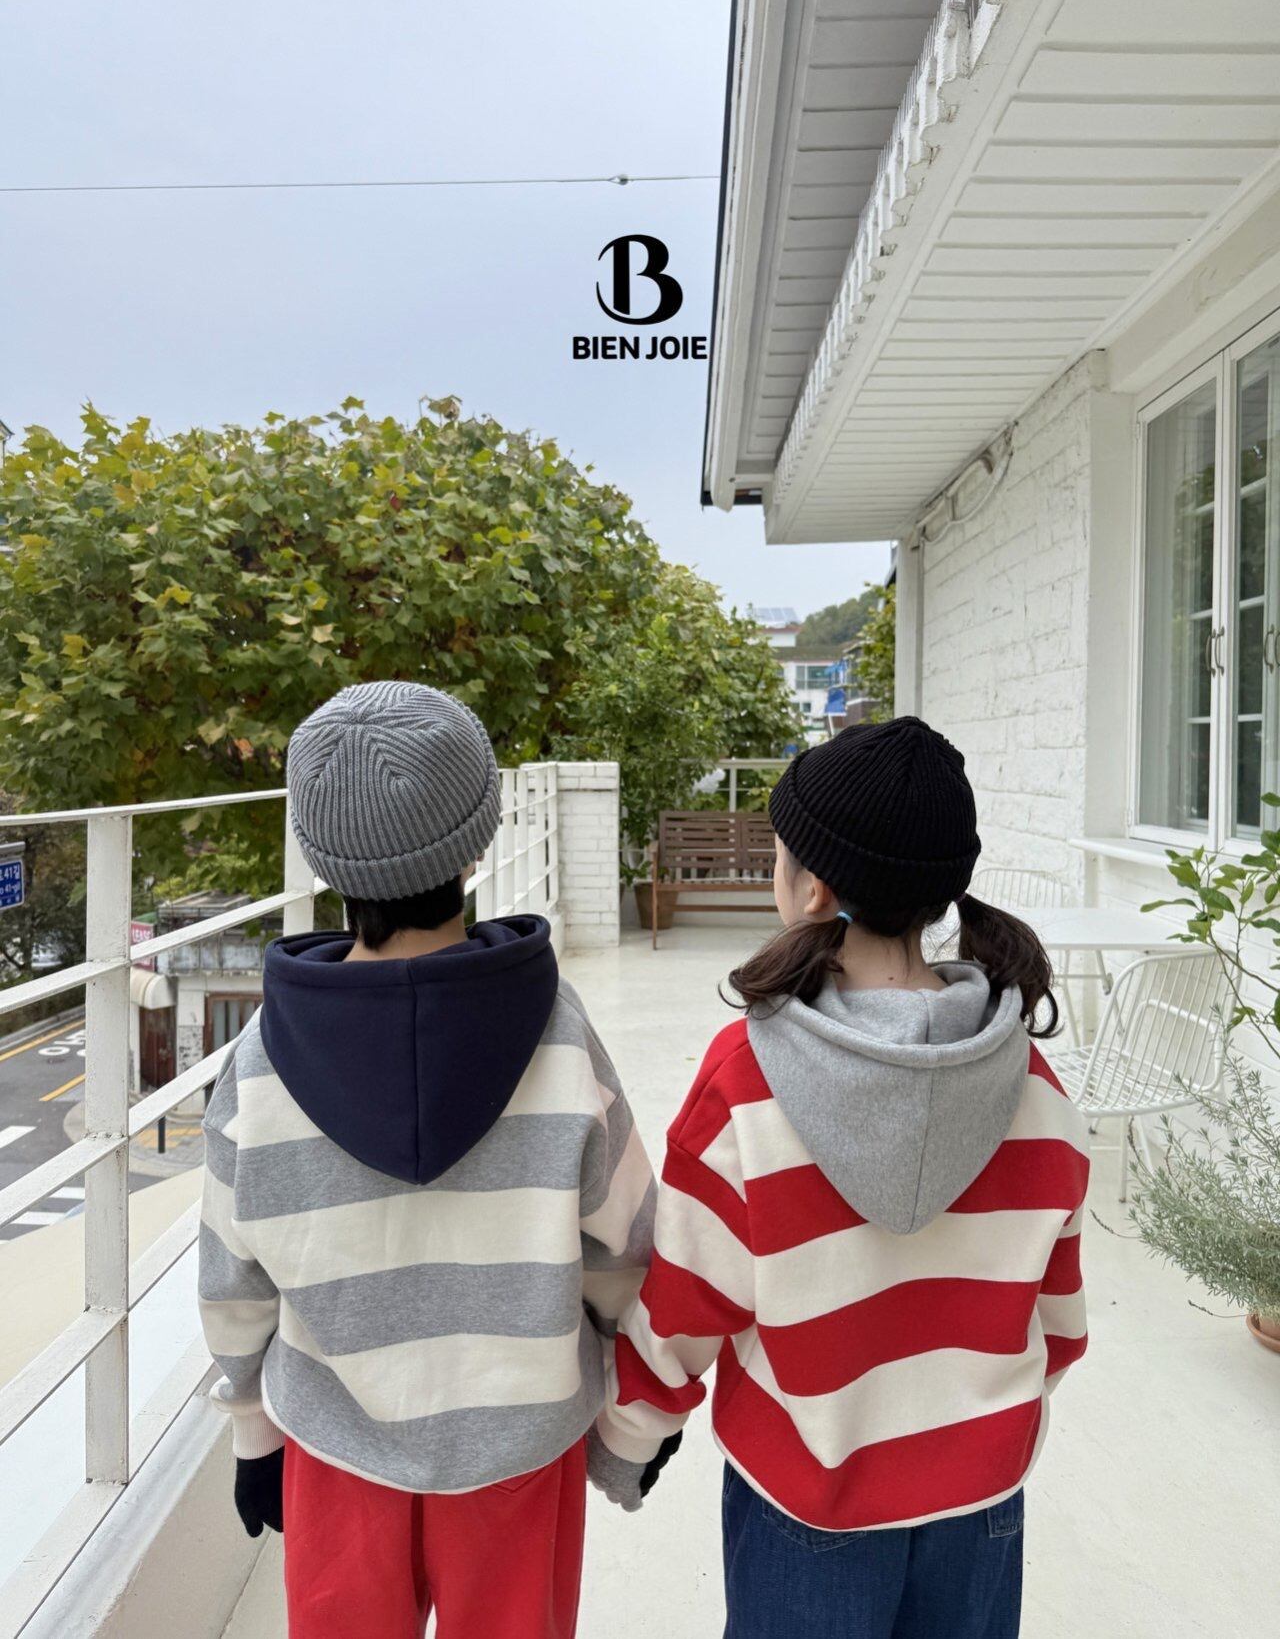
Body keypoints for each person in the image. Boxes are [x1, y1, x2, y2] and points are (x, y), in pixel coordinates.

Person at [593, 718, 1090, 1639]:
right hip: (983, 1505)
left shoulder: (745, 1080)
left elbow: (688, 1301)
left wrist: (630, 1435)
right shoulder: (1033, 1083)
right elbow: (1058, 1325)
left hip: (805, 1508)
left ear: (813, 887)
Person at [197, 681, 663, 1639]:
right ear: (478, 841)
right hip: (522, 1444)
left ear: (320, 854)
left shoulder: (261, 1060)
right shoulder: (559, 1035)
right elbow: (626, 1251)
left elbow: (232, 1278)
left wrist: (251, 1429)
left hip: (336, 1446)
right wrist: (627, 1421)